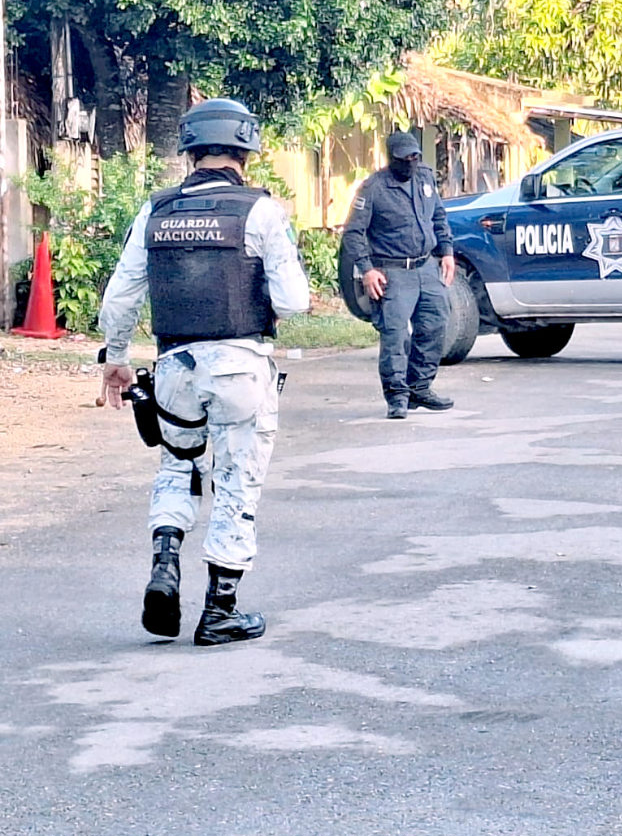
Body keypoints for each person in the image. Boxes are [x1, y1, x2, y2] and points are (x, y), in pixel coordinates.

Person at [99, 97, 311, 646]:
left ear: (190, 152)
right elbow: (293, 302)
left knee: (177, 466)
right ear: (246, 151)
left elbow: (120, 296)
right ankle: (220, 610)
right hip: (240, 368)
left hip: (174, 367)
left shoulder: (155, 211)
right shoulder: (261, 211)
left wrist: (116, 360)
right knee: (236, 481)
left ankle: (165, 563)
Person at [342, 131, 456, 419]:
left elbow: (439, 217)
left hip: (427, 267)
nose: (410, 162)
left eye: (414, 157)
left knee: (434, 325)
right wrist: (367, 270)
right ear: (391, 158)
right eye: (404, 158)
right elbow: (354, 233)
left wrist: (447, 252)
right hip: (392, 271)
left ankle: (420, 387)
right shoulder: (373, 188)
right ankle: (397, 396)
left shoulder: (425, 178)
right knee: (394, 337)